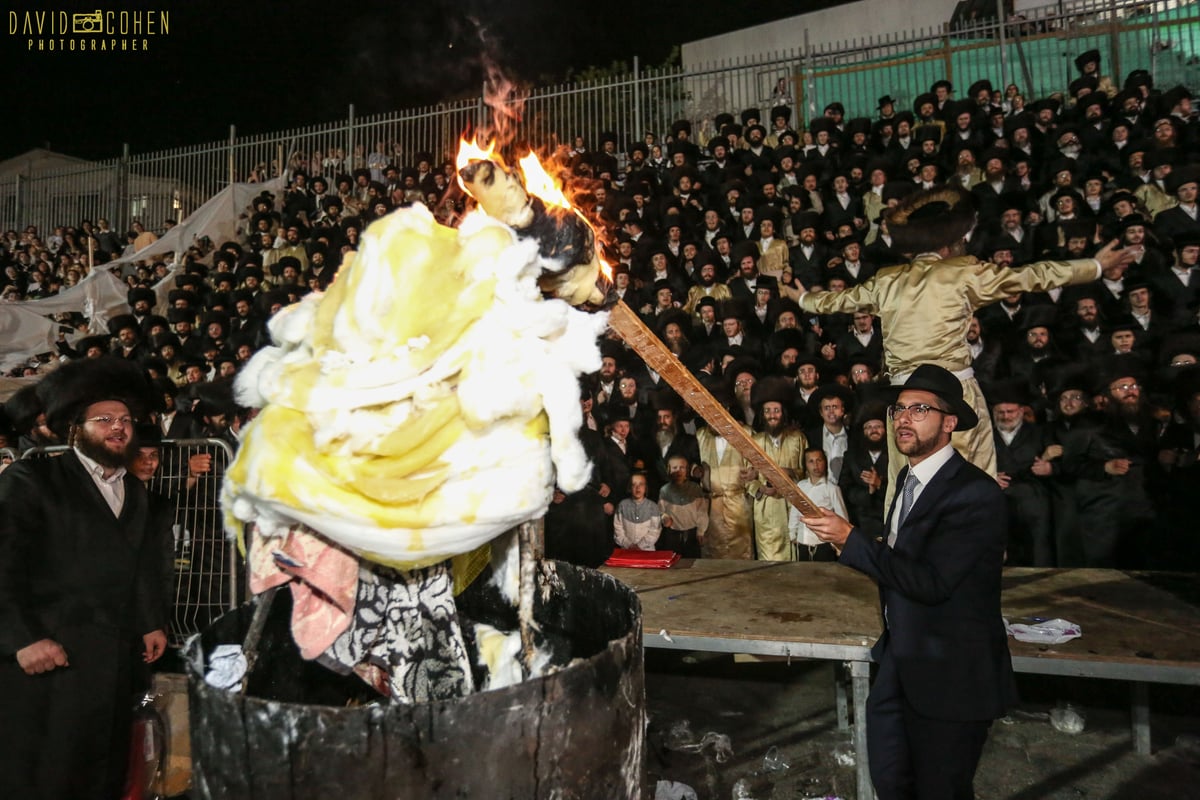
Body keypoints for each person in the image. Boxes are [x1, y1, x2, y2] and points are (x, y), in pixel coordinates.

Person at [796, 185, 1138, 504]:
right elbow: (1031, 276)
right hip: (954, 394)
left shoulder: (887, 280)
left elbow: (836, 302)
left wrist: (804, 299)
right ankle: (977, 550)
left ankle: (902, 554)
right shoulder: (962, 271)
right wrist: (1093, 266)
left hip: (903, 398)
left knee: (904, 483)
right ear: (949, 242)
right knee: (973, 479)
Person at [803, 363, 1015, 800]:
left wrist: (850, 540)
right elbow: (902, 559)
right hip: (901, 656)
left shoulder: (975, 493)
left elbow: (933, 582)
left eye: (919, 409)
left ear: (949, 422)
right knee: (890, 780)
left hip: (950, 673)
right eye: (898, 408)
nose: (902, 418)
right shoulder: (907, 478)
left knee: (940, 788)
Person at [0, 358, 168, 799]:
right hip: (48, 660)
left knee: (104, 775)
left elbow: (138, 564)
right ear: (76, 428)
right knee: (43, 776)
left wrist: (150, 620)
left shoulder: (134, 491)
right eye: (105, 419)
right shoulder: (32, 479)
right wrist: (21, 639)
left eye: (126, 419)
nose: (120, 428)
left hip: (111, 662)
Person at [787, 448, 846, 561]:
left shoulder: (832, 489)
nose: (816, 465)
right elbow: (795, 511)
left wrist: (837, 545)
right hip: (803, 542)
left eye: (819, 460)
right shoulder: (801, 486)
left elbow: (842, 517)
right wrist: (793, 534)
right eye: (811, 461)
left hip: (823, 545)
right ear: (806, 465)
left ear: (825, 462)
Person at [613, 472, 663, 551]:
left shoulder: (653, 507)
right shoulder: (622, 505)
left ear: (645, 487)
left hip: (647, 550)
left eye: (641, 484)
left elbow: (655, 530)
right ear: (630, 488)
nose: (638, 488)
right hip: (626, 550)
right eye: (634, 484)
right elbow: (618, 528)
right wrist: (628, 545)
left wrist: (640, 545)